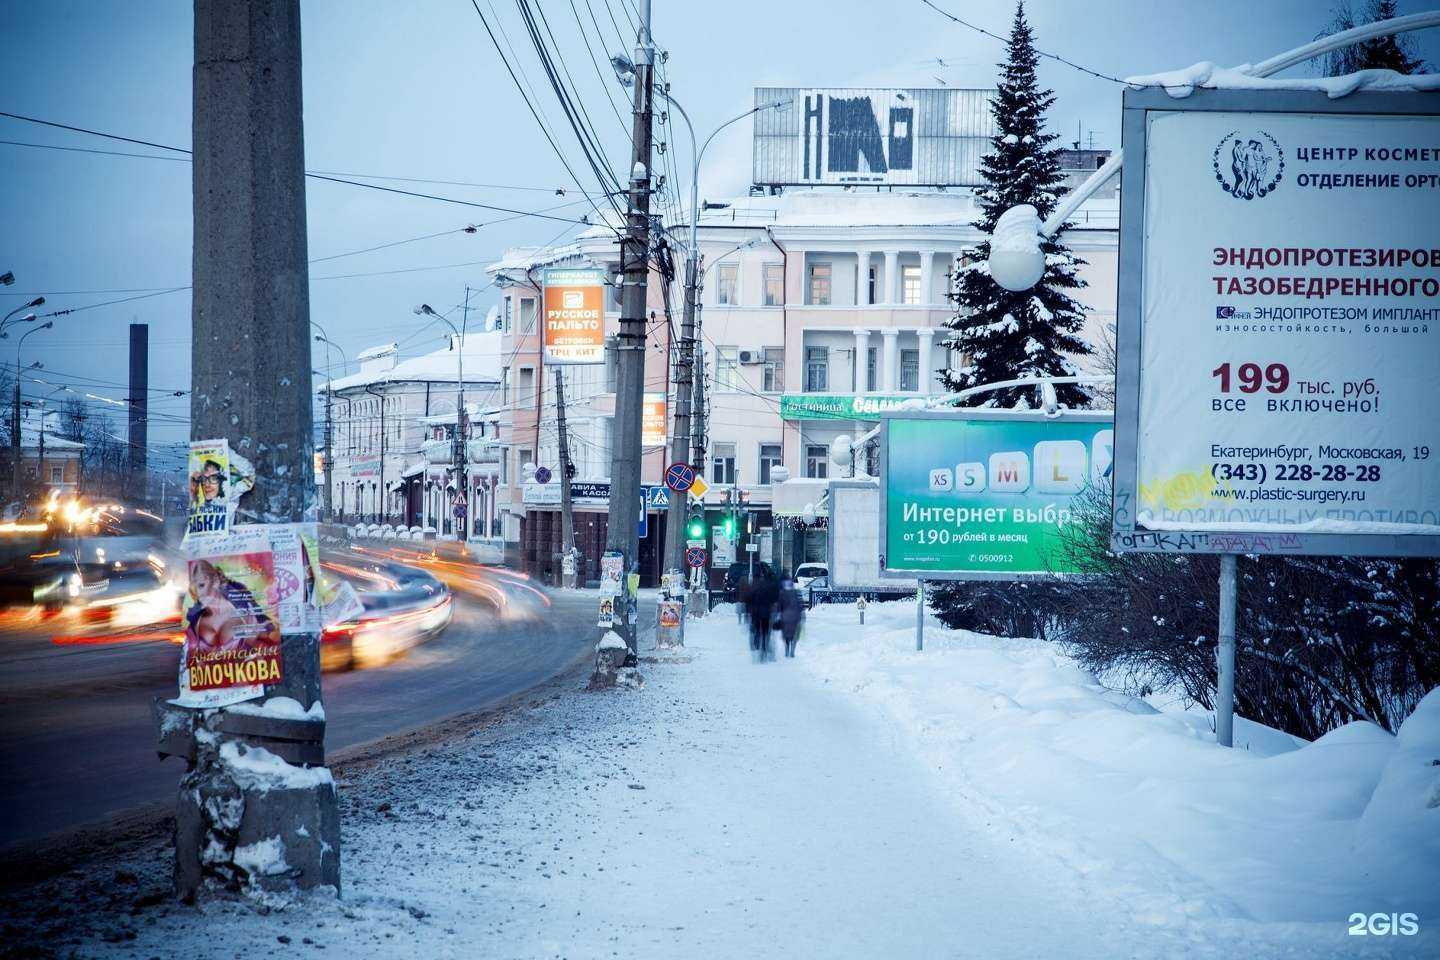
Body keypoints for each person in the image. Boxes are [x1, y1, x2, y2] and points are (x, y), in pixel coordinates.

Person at [745, 567, 779, 661]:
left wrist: (748, 611)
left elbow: (748, 599)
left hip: (756, 614)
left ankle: (757, 646)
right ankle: (764, 648)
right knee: (765, 632)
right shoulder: (768, 586)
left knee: (757, 631)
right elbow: (774, 598)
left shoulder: (753, 587)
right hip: (766, 613)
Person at [777, 578, 804, 658]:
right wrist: (802, 616)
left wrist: (778, 616)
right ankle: (792, 651)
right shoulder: (797, 593)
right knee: (794, 634)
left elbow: (779, 607)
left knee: (786, 634)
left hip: (785, 617)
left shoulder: (782, 593)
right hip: (795, 616)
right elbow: (801, 605)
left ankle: (786, 650)